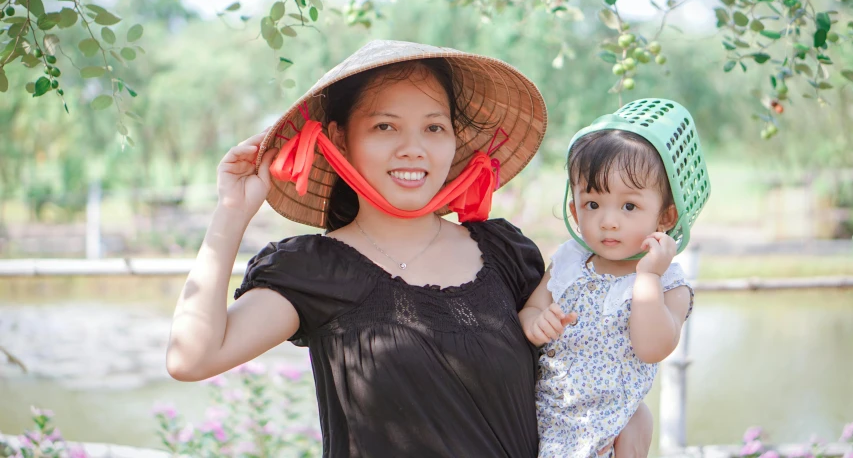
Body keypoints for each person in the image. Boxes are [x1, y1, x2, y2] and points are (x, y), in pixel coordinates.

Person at [166, 40, 553, 457]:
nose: (413, 148)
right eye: (385, 126)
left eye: (434, 127)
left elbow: (579, 353)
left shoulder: (504, 254)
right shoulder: (315, 270)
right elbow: (191, 359)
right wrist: (231, 212)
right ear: (339, 138)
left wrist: (630, 413)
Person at [519, 99, 710, 458]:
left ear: (665, 216)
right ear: (574, 209)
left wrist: (648, 276)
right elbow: (530, 310)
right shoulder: (570, 261)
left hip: (607, 428)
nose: (608, 221)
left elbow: (651, 348)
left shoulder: (669, 282)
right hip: (551, 419)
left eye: (629, 206)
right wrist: (536, 323)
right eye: (593, 204)